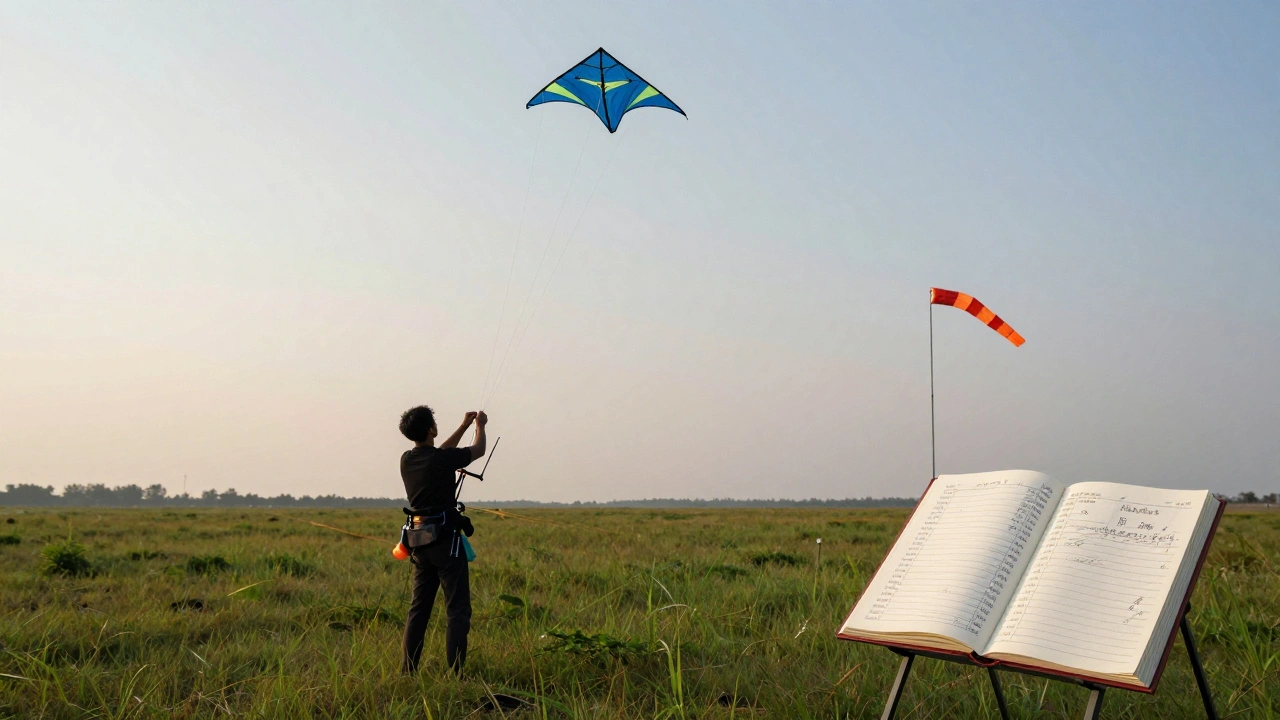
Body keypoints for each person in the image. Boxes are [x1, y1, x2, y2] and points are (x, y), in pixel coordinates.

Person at [397, 405, 487, 674]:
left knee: (418, 610)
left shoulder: (406, 459)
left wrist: (462, 427)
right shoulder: (440, 460)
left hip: (419, 543)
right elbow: (478, 451)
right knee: (457, 612)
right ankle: (456, 674)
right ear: (430, 429)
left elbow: (440, 453)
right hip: (447, 543)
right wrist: (479, 426)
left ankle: (407, 672)